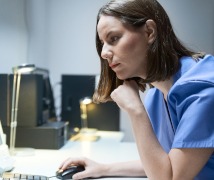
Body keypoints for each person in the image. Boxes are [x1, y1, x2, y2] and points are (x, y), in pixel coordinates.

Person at [59, 0, 214, 179]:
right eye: (103, 42)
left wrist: (135, 110)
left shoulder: (203, 92)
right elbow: (163, 164)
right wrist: (102, 169)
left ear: (149, 32)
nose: (104, 53)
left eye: (114, 38)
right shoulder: (157, 94)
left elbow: (170, 177)